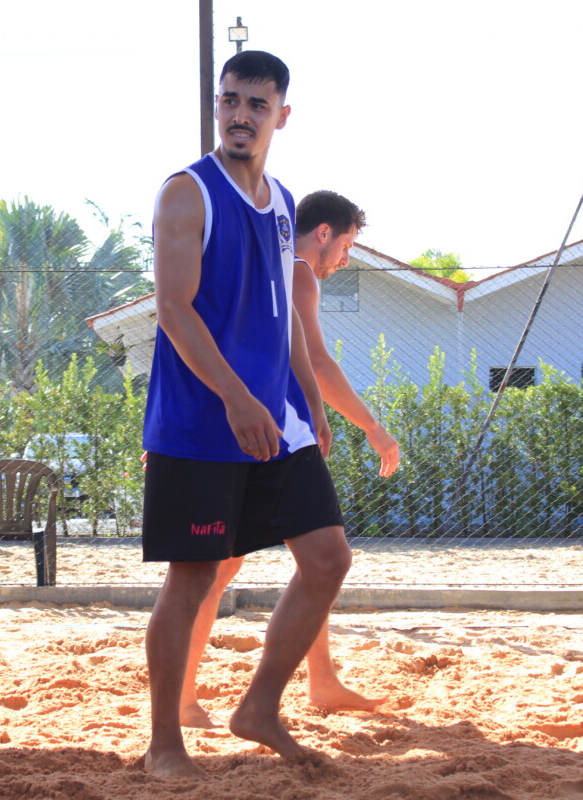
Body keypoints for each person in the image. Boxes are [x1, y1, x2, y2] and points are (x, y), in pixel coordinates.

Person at [142, 50, 351, 779]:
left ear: (281, 116)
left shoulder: (285, 204)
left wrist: (310, 402)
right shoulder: (186, 193)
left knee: (327, 559)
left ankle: (259, 707)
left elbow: (285, 314)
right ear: (217, 107)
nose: (240, 115)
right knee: (193, 578)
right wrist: (234, 395)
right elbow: (173, 310)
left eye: (256, 104)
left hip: (274, 420)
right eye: (230, 100)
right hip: (202, 422)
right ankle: (164, 743)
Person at [178, 190, 401, 730]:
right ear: (323, 232)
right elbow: (317, 361)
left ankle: (320, 679)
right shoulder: (296, 270)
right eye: (346, 245)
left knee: (311, 562)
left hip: (269, 434)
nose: (345, 259)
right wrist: (373, 427)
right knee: (221, 568)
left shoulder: (272, 271)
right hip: (267, 437)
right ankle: (185, 699)